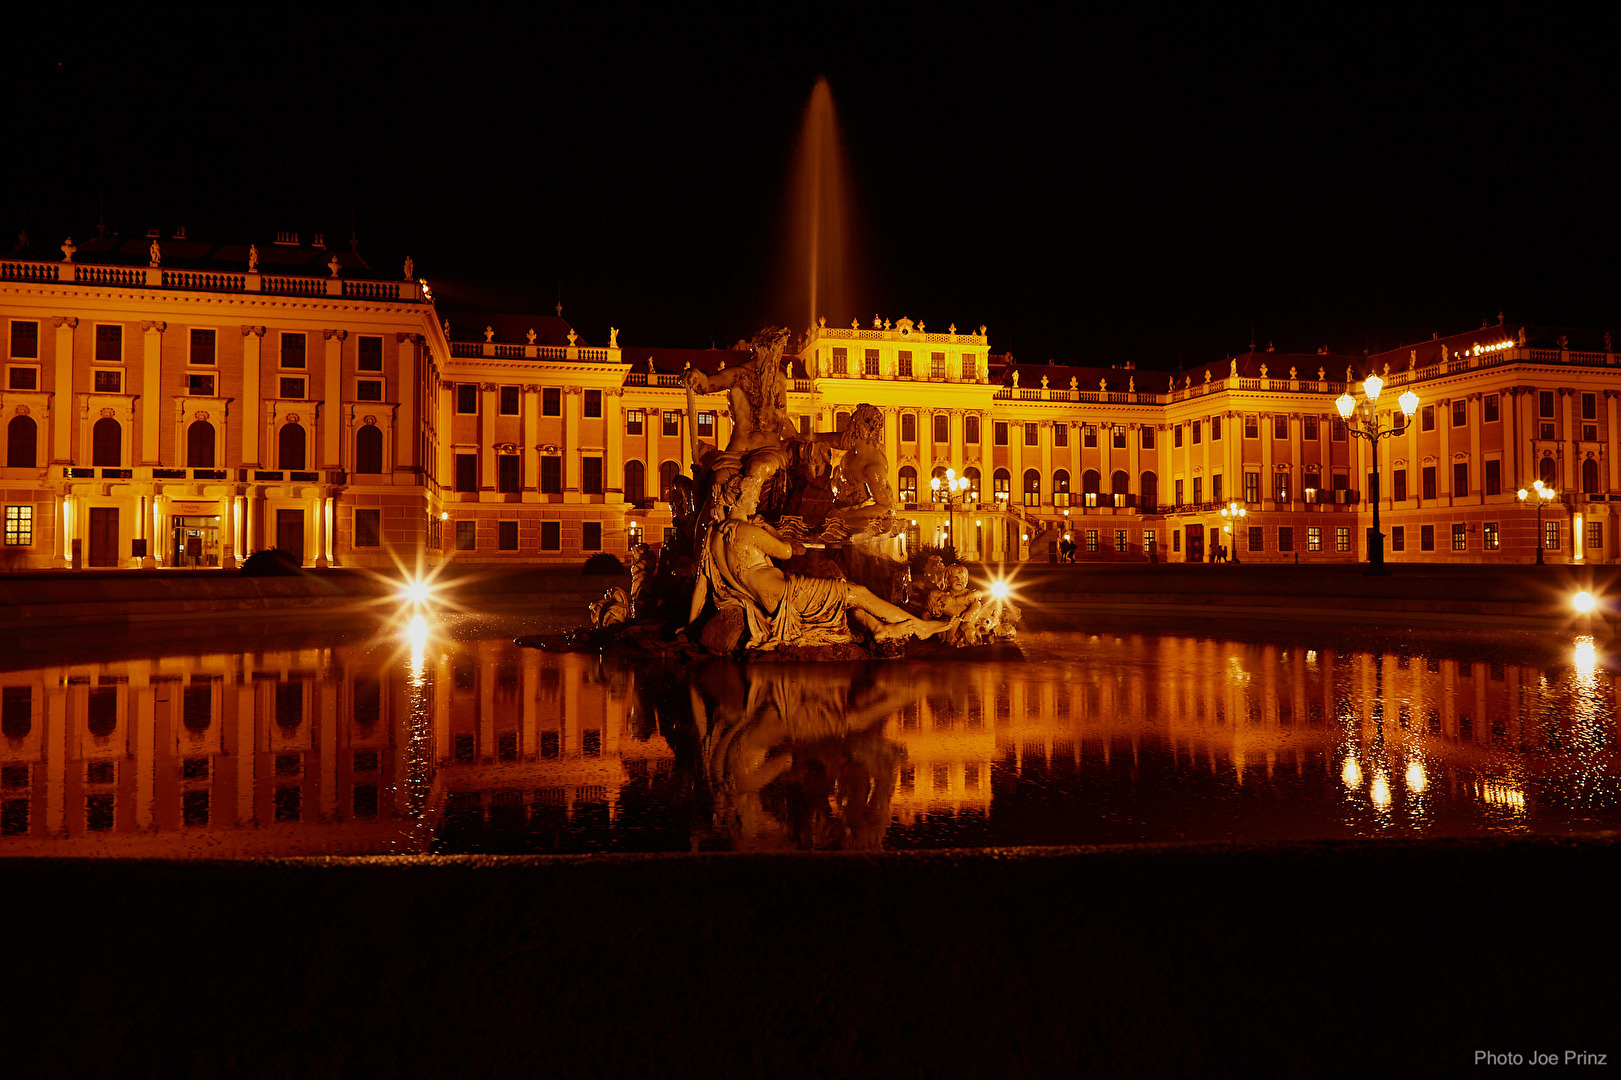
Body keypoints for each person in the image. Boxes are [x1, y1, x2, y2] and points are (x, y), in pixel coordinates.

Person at [690, 475, 950, 650]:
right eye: (754, 496)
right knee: (857, 592)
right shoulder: (748, 531)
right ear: (739, 498)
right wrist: (770, 529)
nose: (757, 501)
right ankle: (921, 627)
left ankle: (878, 626)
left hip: (772, 594)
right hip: (785, 595)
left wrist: (690, 625)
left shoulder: (715, 533)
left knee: (842, 590)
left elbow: (702, 581)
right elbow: (788, 552)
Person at [684, 326, 802, 511]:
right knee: (717, 482)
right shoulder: (738, 375)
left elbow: (781, 418)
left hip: (770, 451)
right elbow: (708, 383)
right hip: (737, 452)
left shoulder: (779, 378)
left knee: (758, 467)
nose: (776, 356)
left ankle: (743, 515)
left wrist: (799, 440)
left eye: (780, 349)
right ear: (759, 348)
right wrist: (697, 376)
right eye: (774, 349)